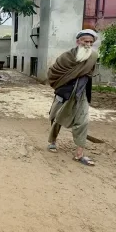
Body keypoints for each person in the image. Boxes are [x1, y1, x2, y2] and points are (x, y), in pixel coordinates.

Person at [47, 29, 98, 166]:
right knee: (55, 117)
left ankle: (79, 154)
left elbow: (90, 74)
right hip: (64, 93)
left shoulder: (93, 57)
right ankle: (52, 141)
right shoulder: (66, 57)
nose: (88, 44)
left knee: (83, 122)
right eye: (85, 41)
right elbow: (54, 73)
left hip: (81, 95)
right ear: (78, 41)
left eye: (90, 42)